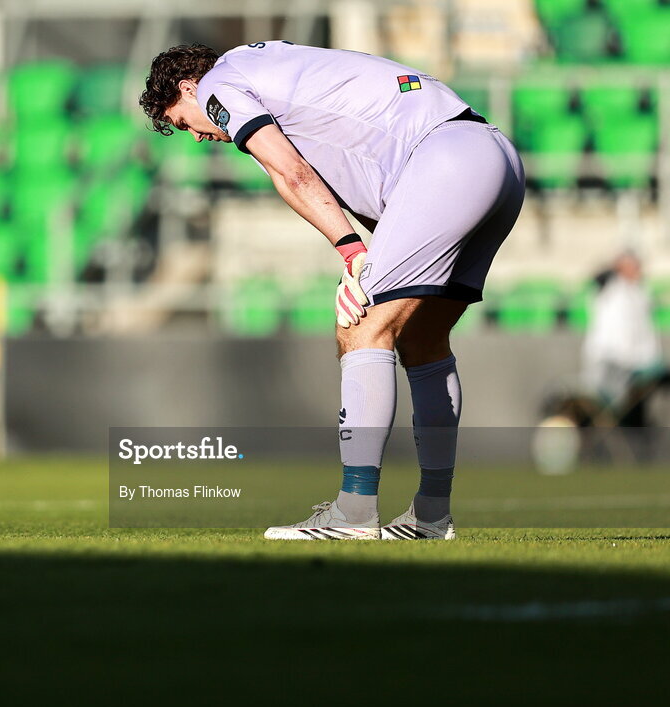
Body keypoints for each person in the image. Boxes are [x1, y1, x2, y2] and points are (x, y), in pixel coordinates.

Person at [140, 41, 525, 540]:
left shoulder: (219, 84)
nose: (195, 136)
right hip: (494, 158)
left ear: (190, 87)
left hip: (444, 161)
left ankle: (355, 511)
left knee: (361, 328)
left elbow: (290, 172)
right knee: (422, 341)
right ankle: (432, 515)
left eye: (185, 121)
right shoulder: (272, 68)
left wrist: (350, 251)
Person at [582, 251, 664, 426]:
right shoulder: (610, 290)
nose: (637, 271)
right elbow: (597, 280)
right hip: (610, 364)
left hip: (634, 367)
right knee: (613, 409)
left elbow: (644, 335)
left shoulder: (639, 293)